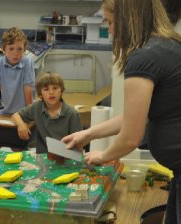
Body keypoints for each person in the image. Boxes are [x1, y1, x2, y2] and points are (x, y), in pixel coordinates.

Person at [62, 0, 181, 223]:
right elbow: (133, 117)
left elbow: (130, 137)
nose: (111, 31)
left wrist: (103, 156)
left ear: (126, 20)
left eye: (110, 22)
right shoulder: (169, 45)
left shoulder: (145, 57)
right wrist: (86, 134)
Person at [12, 72, 82, 159]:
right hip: (42, 156)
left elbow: (78, 146)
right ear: (40, 94)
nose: (51, 92)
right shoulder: (37, 107)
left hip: (65, 157)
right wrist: (21, 124)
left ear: (61, 91)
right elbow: (15, 115)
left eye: (55, 88)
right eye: (46, 89)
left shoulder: (72, 114)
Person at [0, 27, 35, 115]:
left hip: (25, 110)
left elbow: (28, 87)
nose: (15, 53)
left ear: (24, 49)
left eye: (19, 49)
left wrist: (30, 111)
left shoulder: (27, 62)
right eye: (11, 49)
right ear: (4, 49)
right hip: (7, 110)